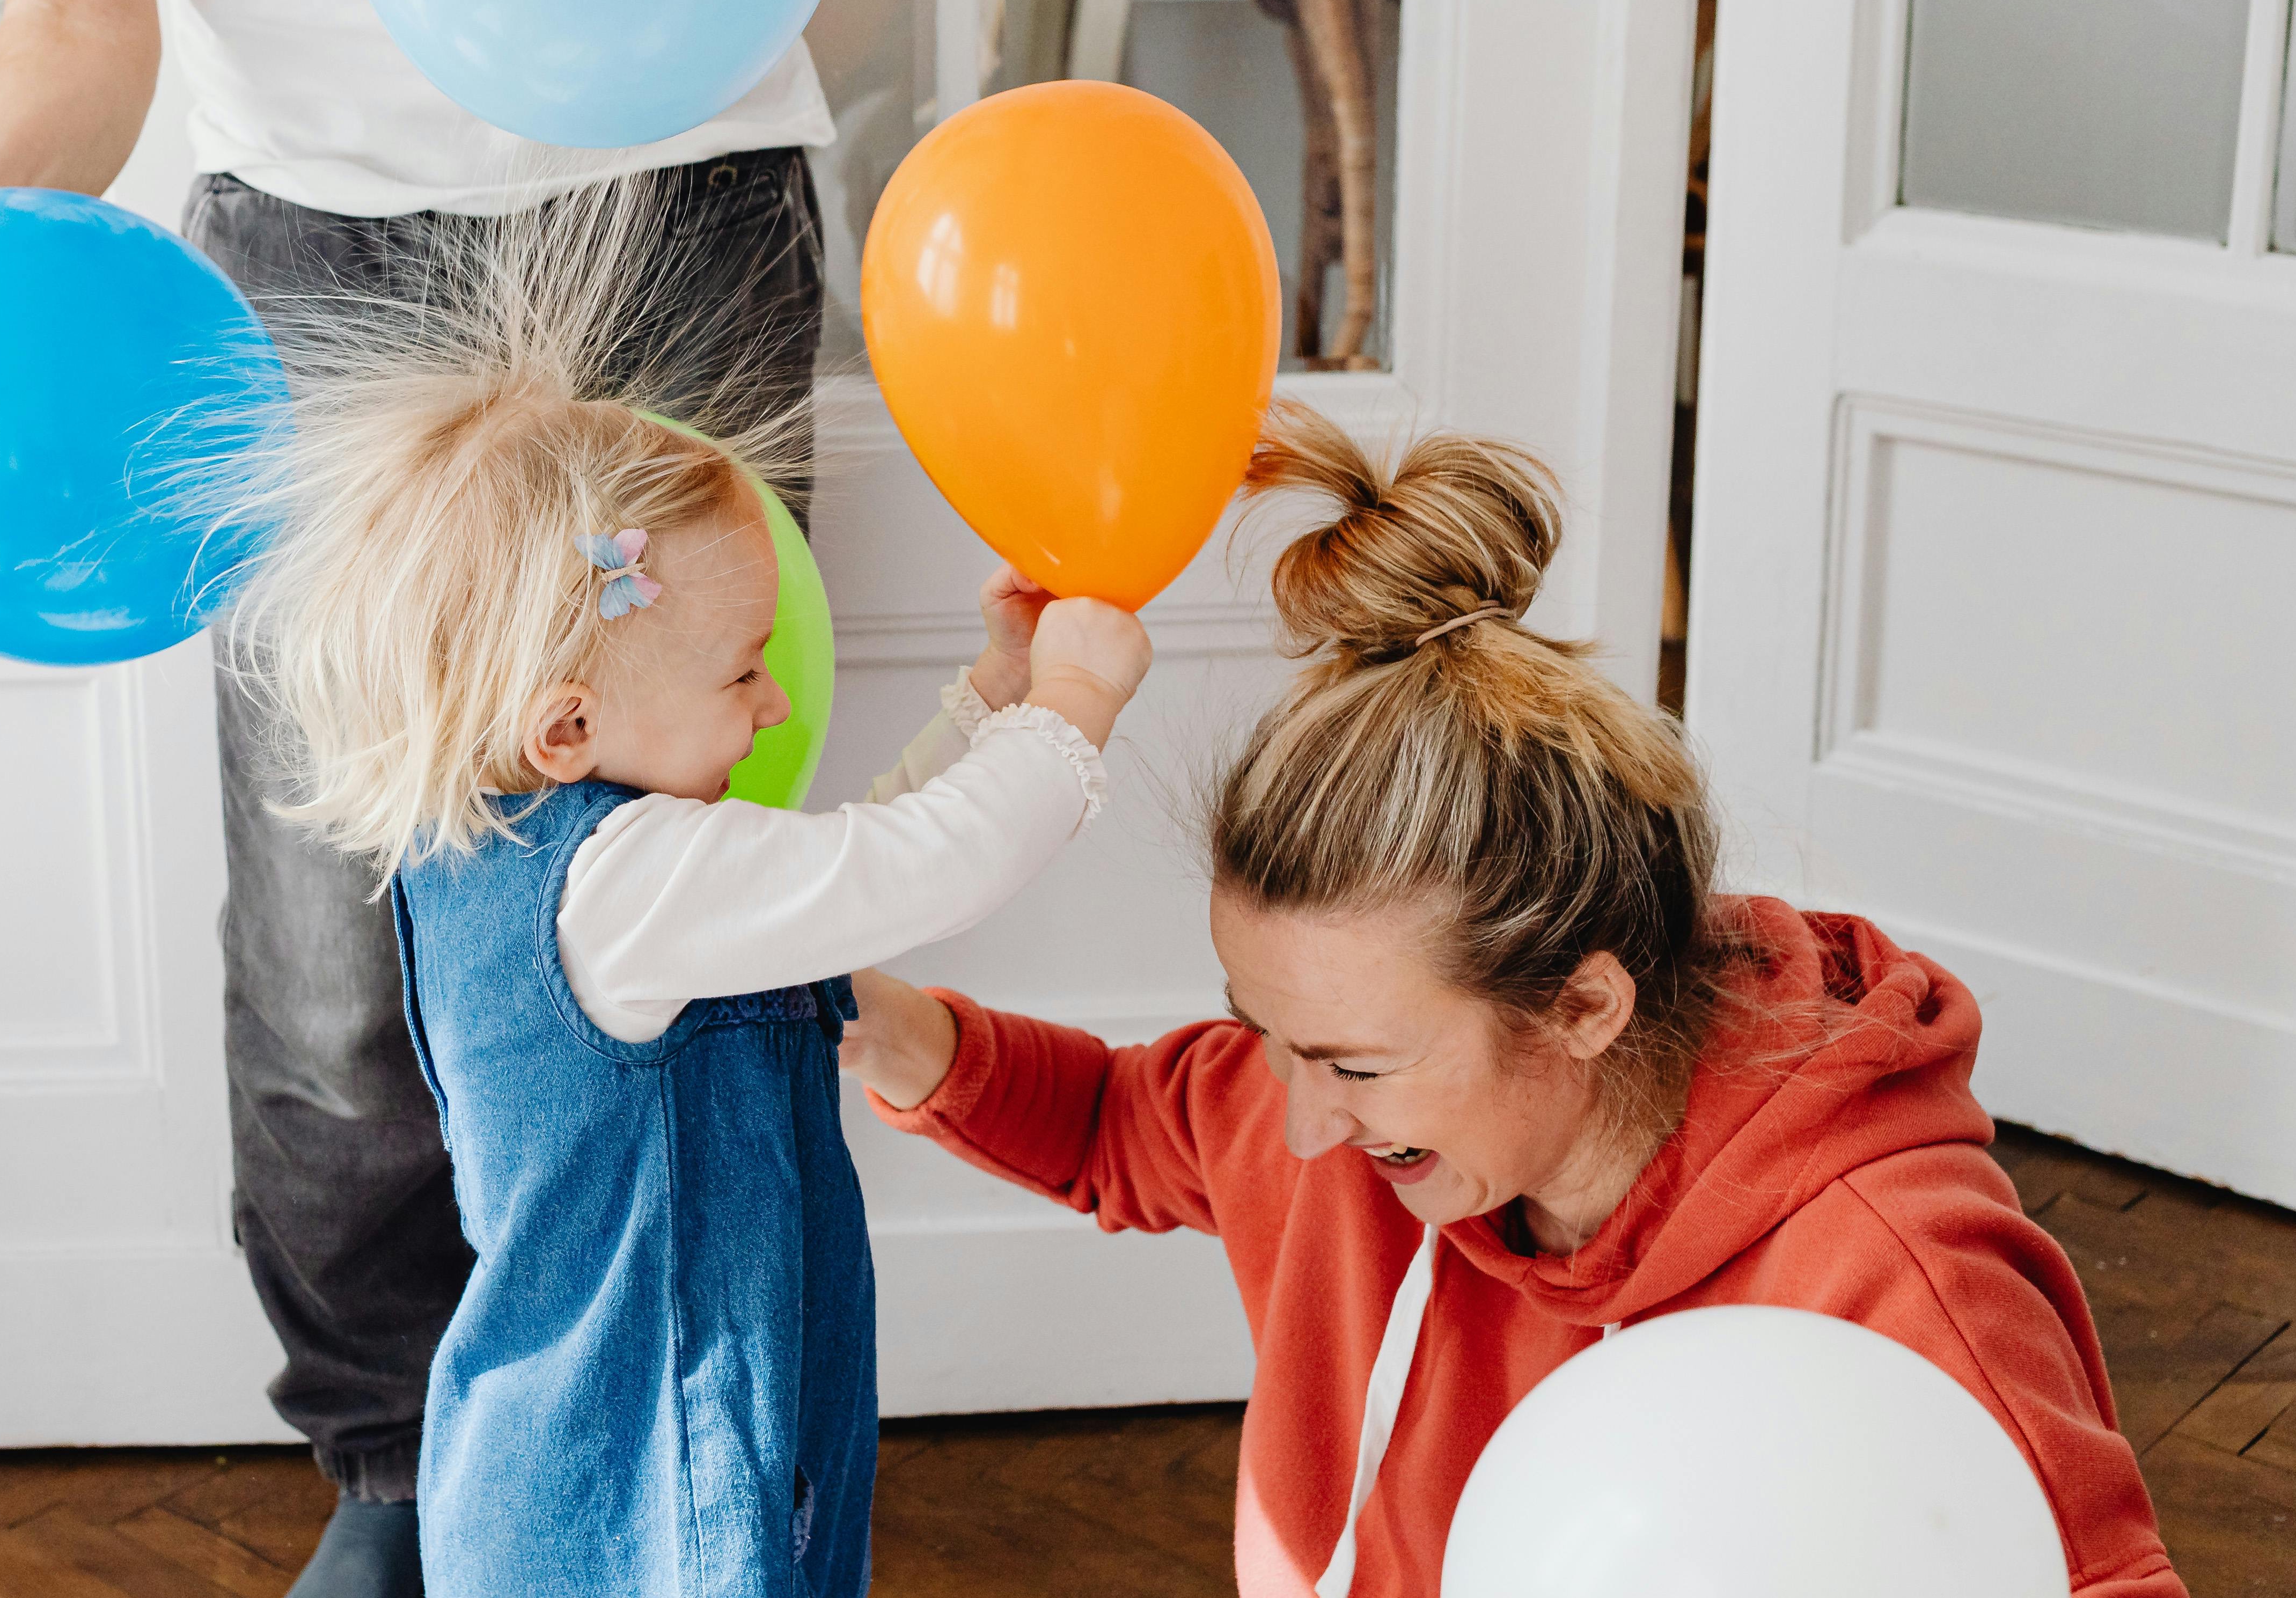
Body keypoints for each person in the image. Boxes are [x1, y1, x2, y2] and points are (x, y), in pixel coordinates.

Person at [0, 0, 834, 1590]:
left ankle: (687, 1448)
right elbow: (78, 7)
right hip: (317, 242)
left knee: (683, 884)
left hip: (675, 190)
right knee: (338, 939)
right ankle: (399, 1461)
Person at [838, 398, 2186, 1597]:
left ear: (1585, 1005)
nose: (1300, 1126)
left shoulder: (1894, 1277)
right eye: (1270, 1039)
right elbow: (1119, 1123)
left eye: (1356, 1067)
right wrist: (867, 1017)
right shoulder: (1346, 1097)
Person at [208, 186, 1153, 1598]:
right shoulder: (625, 882)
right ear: (568, 725)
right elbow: (908, 868)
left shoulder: (544, 849)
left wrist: (987, 700)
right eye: (740, 669)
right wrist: (1071, 707)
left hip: (614, 1432)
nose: (778, 700)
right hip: (652, 1464)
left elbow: (825, 883)